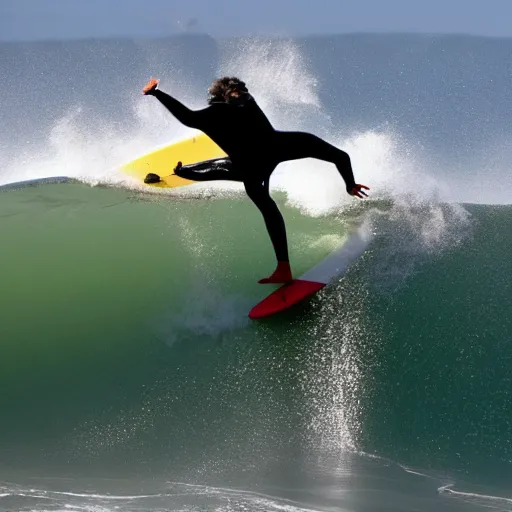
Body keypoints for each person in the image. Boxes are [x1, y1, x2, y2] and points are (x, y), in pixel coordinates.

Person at [142, 76, 369, 284]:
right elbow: (188, 117)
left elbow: (341, 156)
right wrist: (157, 93)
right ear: (223, 95)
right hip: (256, 160)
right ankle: (186, 173)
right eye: (234, 90)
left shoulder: (241, 103)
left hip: (265, 154)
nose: (240, 93)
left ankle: (283, 268)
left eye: (241, 90)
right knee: (236, 176)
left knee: (246, 181)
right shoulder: (215, 114)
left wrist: (350, 184)